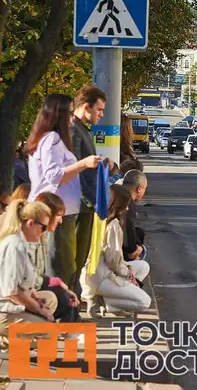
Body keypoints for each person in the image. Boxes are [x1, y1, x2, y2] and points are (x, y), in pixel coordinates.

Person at [26, 93, 103, 298]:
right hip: (53, 211)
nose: (72, 118)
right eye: (68, 113)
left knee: (66, 265)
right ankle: (58, 315)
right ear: (57, 115)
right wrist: (83, 163)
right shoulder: (52, 139)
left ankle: (61, 313)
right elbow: (53, 176)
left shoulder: (54, 139)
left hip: (62, 211)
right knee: (61, 266)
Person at [0, 200, 59, 356]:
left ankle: (11, 340)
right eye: (43, 227)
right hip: (3, 308)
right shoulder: (14, 246)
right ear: (31, 223)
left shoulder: (22, 242)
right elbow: (12, 292)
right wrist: (38, 310)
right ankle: (5, 342)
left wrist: (36, 300)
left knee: (50, 298)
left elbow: (24, 284)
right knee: (50, 333)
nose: (45, 232)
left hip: (9, 303)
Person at [86, 185, 151, 316]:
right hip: (102, 277)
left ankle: (108, 297)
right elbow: (113, 260)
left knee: (143, 266)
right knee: (145, 302)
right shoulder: (113, 225)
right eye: (125, 205)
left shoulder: (97, 216)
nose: (127, 208)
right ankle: (106, 303)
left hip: (93, 272)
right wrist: (127, 273)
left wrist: (127, 269)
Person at [71, 85, 111, 296]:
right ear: (86, 107)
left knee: (81, 255)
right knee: (75, 258)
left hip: (85, 203)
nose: (101, 114)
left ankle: (72, 303)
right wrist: (91, 200)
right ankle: (69, 309)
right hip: (80, 204)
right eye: (99, 110)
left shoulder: (81, 129)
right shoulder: (73, 129)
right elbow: (76, 167)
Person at [31, 192, 81, 323]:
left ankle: (71, 330)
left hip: (32, 287)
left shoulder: (41, 238)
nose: (61, 221)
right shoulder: (27, 240)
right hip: (19, 296)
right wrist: (52, 283)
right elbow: (25, 281)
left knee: (66, 294)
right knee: (61, 296)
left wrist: (56, 283)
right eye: (58, 216)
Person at [121, 171, 148, 263]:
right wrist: (135, 250)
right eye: (145, 189)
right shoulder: (128, 204)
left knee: (139, 232)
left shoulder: (114, 194)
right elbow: (128, 238)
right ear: (139, 189)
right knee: (142, 257)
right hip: (115, 251)